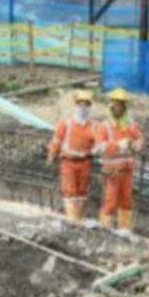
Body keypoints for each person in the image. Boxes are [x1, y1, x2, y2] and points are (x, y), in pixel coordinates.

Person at [93, 87, 144, 233]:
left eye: (121, 105)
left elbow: (139, 137)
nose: (118, 108)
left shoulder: (129, 124)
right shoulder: (104, 126)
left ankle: (124, 231)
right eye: (116, 105)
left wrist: (137, 145)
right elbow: (99, 147)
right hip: (112, 172)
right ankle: (104, 229)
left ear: (124, 107)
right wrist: (117, 145)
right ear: (111, 106)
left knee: (126, 202)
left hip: (127, 171)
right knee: (110, 202)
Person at [47, 90, 98, 224]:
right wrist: (51, 155)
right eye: (80, 104)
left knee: (82, 193)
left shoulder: (93, 125)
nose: (83, 107)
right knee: (69, 192)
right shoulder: (67, 122)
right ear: (76, 105)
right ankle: (73, 221)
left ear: (89, 106)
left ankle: (78, 220)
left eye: (86, 104)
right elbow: (57, 140)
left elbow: (99, 142)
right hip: (68, 161)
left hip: (85, 162)